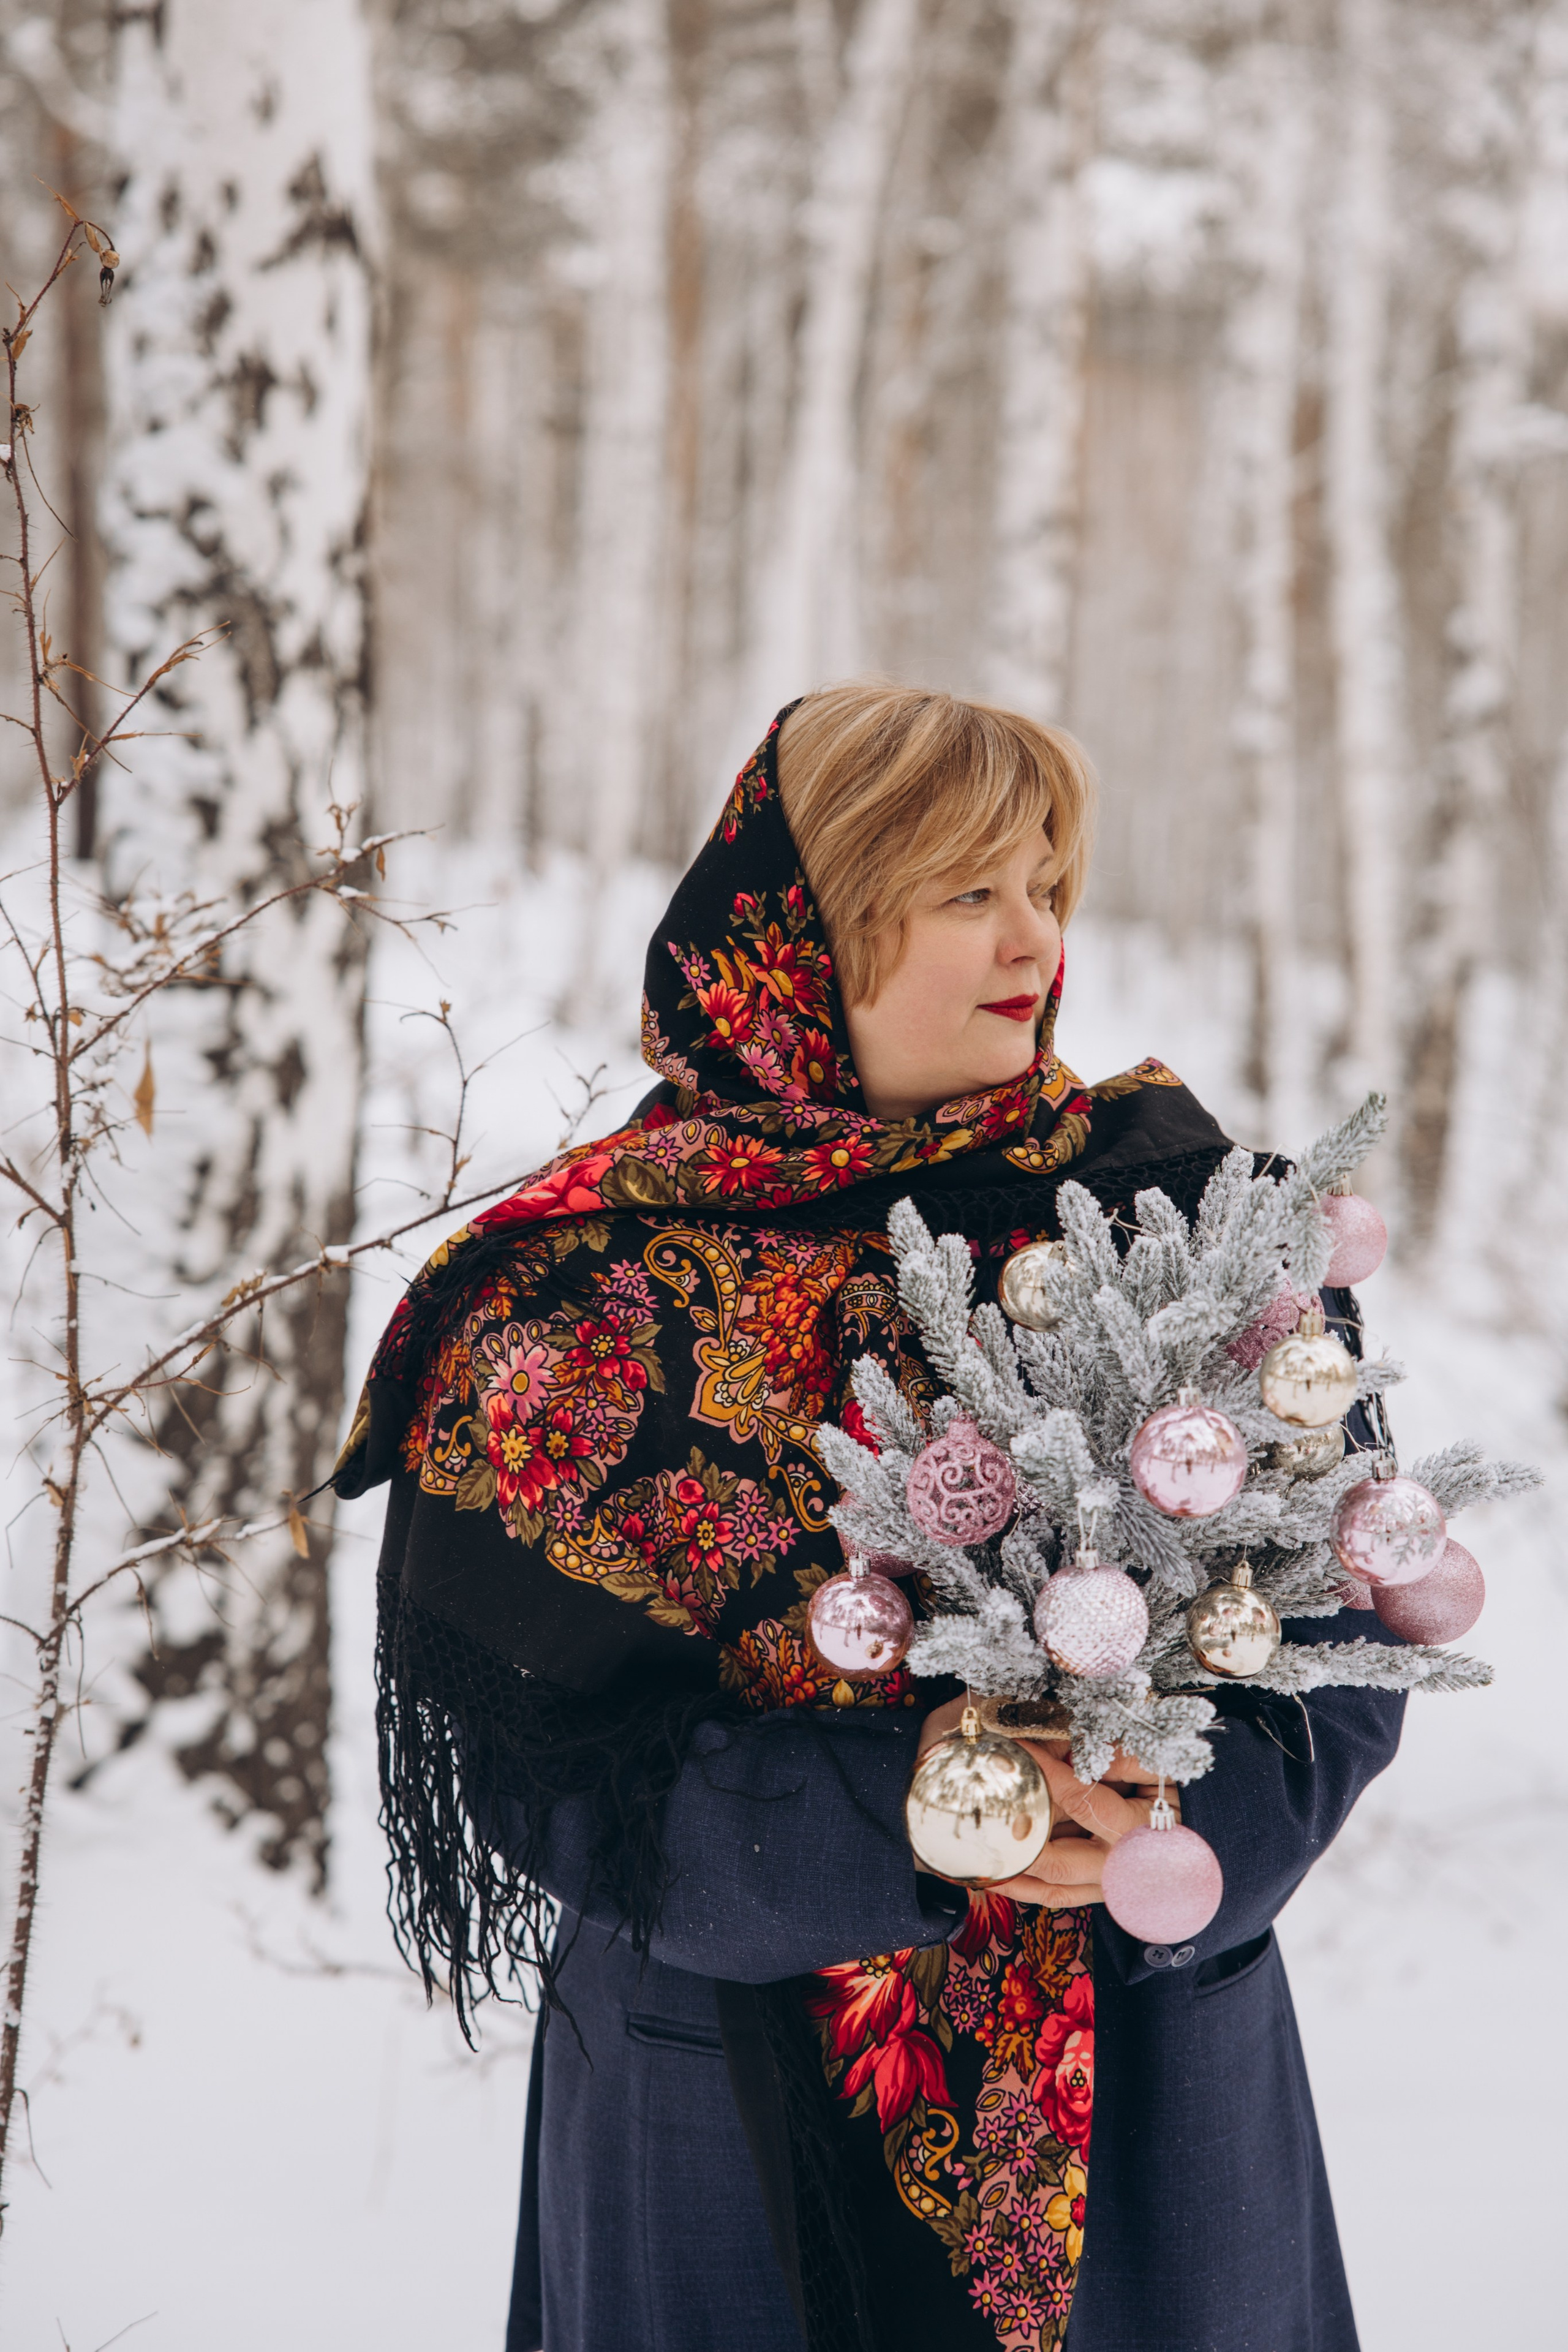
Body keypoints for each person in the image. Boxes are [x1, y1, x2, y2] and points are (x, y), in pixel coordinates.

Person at [334, 680, 1403, 2352]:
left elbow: (1336, 1637)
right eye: (966, 888)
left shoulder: (1193, 1233)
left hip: (1146, 2082)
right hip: (727, 2090)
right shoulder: (587, 1296)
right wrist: (919, 1816)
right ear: (806, 928)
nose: (1030, 935)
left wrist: (1165, 1839)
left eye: (1047, 883)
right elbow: (545, 1765)